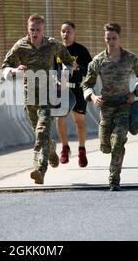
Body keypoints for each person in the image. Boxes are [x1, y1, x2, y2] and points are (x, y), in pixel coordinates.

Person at [1, 13, 74, 185]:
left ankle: (39, 170)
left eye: (38, 30)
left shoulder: (52, 44)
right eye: (32, 29)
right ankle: (51, 151)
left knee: (41, 132)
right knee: (39, 132)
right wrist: (14, 71)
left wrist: (63, 78)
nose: (35, 33)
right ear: (28, 29)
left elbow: (68, 62)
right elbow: (5, 66)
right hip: (30, 95)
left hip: (48, 93)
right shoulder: (21, 46)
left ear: (43, 30)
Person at [82, 22, 138, 191]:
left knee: (118, 140)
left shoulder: (130, 59)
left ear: (119, 38)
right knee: (105, 146)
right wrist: (93, 96)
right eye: (108, 38)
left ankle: (114, 180)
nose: (111, 41)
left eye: (114, 38)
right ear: (104, 39)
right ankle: (112, 148)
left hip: (124, 105)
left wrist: (135, 93)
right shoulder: (98, 61)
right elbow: (86, 84)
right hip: (106, 107)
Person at [54, 21, 92, 167]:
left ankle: (81, 150)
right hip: (61, 89)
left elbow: (90, 71)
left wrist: (78, 67)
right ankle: (65, 148)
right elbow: (50, 69)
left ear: (74, 32)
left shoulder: (81, 50)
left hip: (77, 89)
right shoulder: (56, 50)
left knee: (79, 122)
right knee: (59, 119)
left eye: (68, 31)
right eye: (63, 31)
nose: (65, 34)